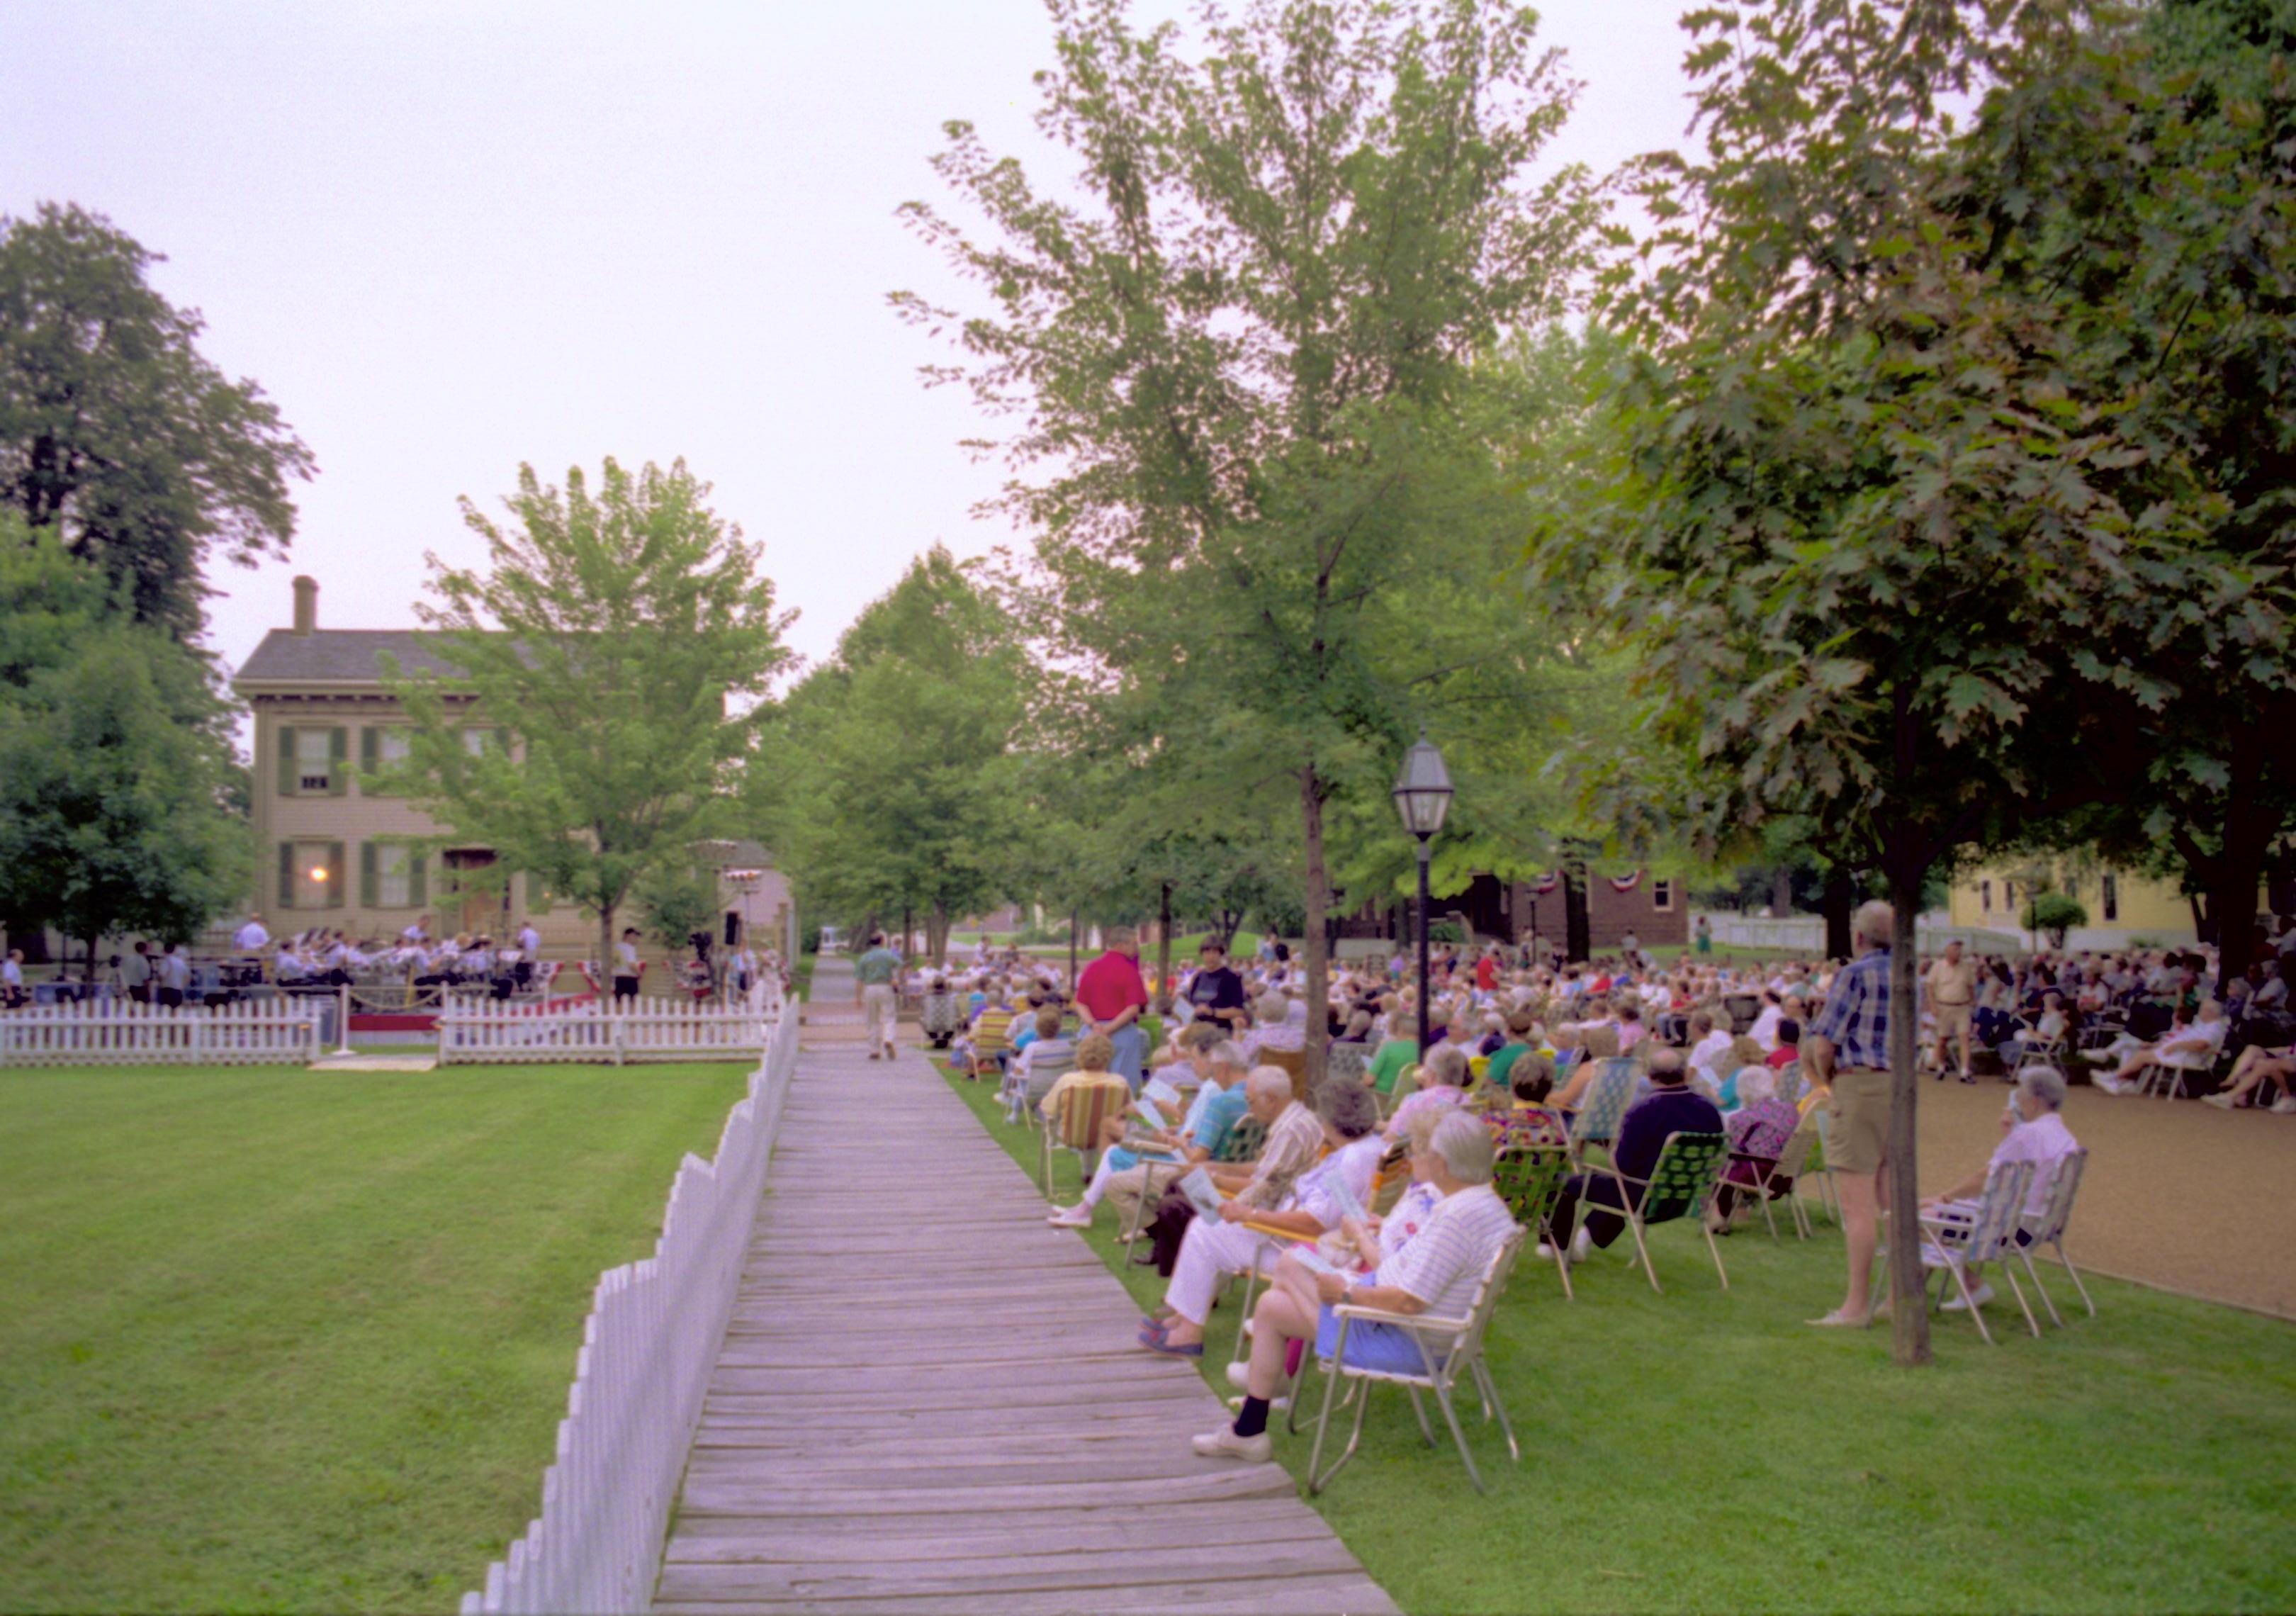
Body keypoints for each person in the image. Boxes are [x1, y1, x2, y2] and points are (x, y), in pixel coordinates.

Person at [1192, 1111, 1516, 1460]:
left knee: (1291, 1268)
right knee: (1272, 1307)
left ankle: (1256, 1415)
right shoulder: (1487, 1206)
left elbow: (1408, 1302)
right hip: (1421, 1331)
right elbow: (1413, 1281)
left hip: (1409, 1340)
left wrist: (1346, 1294)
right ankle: (1250, 1428)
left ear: (1441, 1163)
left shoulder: (1456, 1219)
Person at [1143, 1079, 1385, 1357]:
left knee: (1204, 1230)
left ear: (1331, 1120)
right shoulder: (1371, 1147)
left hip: (1309, 1252)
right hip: (1320, 1243)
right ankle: (1183, 1318)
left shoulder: (1350, 1160)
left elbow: (1313, 1222)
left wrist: (1251, 1214)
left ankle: (1187, 1331)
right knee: (1210, 1226)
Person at [1803, 899, 1898, 1328]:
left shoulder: (1854, 974)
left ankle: (1856, 1306)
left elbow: (1824, 1042)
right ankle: (1897, 1296)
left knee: (1858, 1205)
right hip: (1900, 1086)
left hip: (1858, 1082)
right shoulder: (1910, 972)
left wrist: (1827, 1080)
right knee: (1893, 1199)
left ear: (1859, 938)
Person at [1052, 1030, 1249, 1231]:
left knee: (1114, 1151)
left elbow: (1196, 1154)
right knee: (1114, 1137)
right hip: (1212, 1161)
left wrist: (1176, 1138)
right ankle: (1085, 1208)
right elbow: (1201, 1130)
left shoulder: (1216, 1096)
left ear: (1214, 1063)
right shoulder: (1247, 1095)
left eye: (1195, 1059)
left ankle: (1118, 1218)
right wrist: (1179, 1124)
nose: (1192, 1064)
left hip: (1184, 1160)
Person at [1919, 1067, 2080, 1311]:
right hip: (2039, 1229)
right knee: (1944, 1216)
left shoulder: (2027, 1135)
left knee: (1924, 1217)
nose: (2017, 1101)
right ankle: (1943, 1284)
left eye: (2021, 1096)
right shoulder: (2066, 1136)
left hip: (2010, 1233)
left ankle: (1969, 1285)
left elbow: (1986, 1178)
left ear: (2033, 1101)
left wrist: (1945, 1198)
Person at [1547, 1048, 1723, 1262]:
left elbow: (1622, 1165)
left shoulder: (1644, 1111)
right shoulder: (1709, 1111)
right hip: (1686, 1197)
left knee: (1567, 1184)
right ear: (1685, 1073)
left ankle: (1558, 1247)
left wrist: (1612, 1151)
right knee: (1623, 1184)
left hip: (1646, 1198)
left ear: (1650, 1076)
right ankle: (1585, 1237)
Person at [1709, 1066, 1800, 1231]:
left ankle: (1720, 1217)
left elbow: (1734, 1150)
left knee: (1721, 1164)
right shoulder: (1791, 1111)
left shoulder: (1742, 1118)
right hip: (1787, 1176)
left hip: (1760, 1178)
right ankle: (1737, 1210)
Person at [2093, 999, 2228, 1096]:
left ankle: (2115, 1078)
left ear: (2210, 1012)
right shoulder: (2203, 1025)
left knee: (2142, 1056)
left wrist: (2176, 1045)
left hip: (2187, 1056)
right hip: (2177, 1051)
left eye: (2202, 1010)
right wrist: (2160, 1045)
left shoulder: (2214, 1027)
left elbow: (2202, 1045)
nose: (2199, 1013)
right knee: (2136, 1049)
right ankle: (2119, 1080)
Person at [1076, 926, 1152, 1089]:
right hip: (1121, 1031)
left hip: (1092, 1032)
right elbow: (1133, 1008)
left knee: (1091, 1083)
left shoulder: (1092, 967)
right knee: (1121, 1085)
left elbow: (1081, 1002)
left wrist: (1093, 1024)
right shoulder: (1129, 971)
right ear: (1121, 945)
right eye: (1134, 944)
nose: (1136, 948)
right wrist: (1109, 1028)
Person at [1927, 938, 1979, 1082]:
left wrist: (1973, 1001)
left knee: (1964, 1038)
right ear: (1947, 951)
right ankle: (1941, 1067)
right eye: (1955, 949)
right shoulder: (1938, 967)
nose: (1958, 952)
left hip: (1962, 1007)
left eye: (1960, 949)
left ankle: (1964, 1071)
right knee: (1942, 1039)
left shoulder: (1966, 967)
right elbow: (1930, 987)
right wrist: (1932, 1006)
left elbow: (1971, 985)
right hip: (1944, 1006)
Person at [2203, 1039, 2296, 1113]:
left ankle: (2287, 1098)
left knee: (2267, 1064)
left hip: (2292, 1062)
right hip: (2290, 1057)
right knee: (2254, 1052)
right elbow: (2291, 1050)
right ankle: (2231, 1094)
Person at [853, 932, 904, 1060]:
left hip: (870, 989)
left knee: (872, 1020)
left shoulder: (865, 957)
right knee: (889, 1017)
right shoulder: (888, 954)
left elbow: (859, 979)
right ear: (882, 941)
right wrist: (896, 979)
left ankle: (874, 1049)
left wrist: (858, 997)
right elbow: (901, 965)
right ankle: (888, 1039)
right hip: (885, 987)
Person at [1185, 939, 1250, 1038]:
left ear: (1221, 954)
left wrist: (1212, 1012)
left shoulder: (1231, 977)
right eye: (1207, 952)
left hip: (1220, 1031)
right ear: (1202, 955)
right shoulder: (1198, 977)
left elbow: (1239, 1011)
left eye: (1215, 952)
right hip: (1197, 1028)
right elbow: (1190, 1003)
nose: (1211, 956)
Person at [612, 928, 642, 1006]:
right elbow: (631, 964)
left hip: (619, 978)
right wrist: (639, 973)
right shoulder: (630, 948)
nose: (636, 939)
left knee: (618, 1003)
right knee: (633, 1003)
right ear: (628, 936)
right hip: (630, 979)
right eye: (635, 936)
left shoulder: (617, 947)